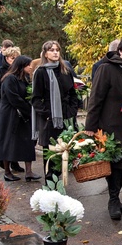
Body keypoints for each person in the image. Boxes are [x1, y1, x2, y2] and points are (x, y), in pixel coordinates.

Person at [85, 35, 122, 220]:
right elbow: (95, 98)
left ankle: (116, 198)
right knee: (114, 163)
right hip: (110, 124)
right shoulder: (106, 68)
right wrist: (90, 126)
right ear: (120, 51)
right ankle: (113, 200)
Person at [31, 40, 80, 179]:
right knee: (51, 153)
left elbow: (72, 93)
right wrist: (47, 114)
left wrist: (72, 110)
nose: (55, 53)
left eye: (57, 50)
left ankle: (61, 183)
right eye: (51, 50)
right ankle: (50, 183)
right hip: (50, 119)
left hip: (66, 116)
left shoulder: (66, 70)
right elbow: (36, 99)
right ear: (45, 53)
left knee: (66, 151)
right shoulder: (40, 72)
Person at [0, 56, 41, 181]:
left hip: (23, 114)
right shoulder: (9, 78)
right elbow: (13, 98)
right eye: (28, 65)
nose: (31, 67)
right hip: (10, 115)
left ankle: (29, 171)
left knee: (28, 141)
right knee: (8, 142)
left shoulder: (24, 78)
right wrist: (29, 109)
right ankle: (7, 171)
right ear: (21, 66)